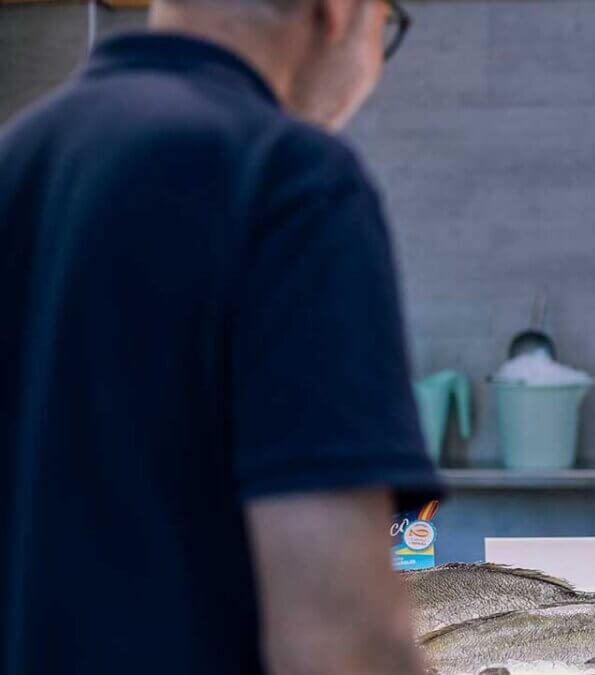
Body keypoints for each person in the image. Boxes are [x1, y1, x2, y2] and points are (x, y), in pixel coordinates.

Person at [0, 0, 441, 673]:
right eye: (388, 26)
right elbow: (340, 637)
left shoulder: (15, 158)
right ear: (339, 13)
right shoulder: (289, 178)